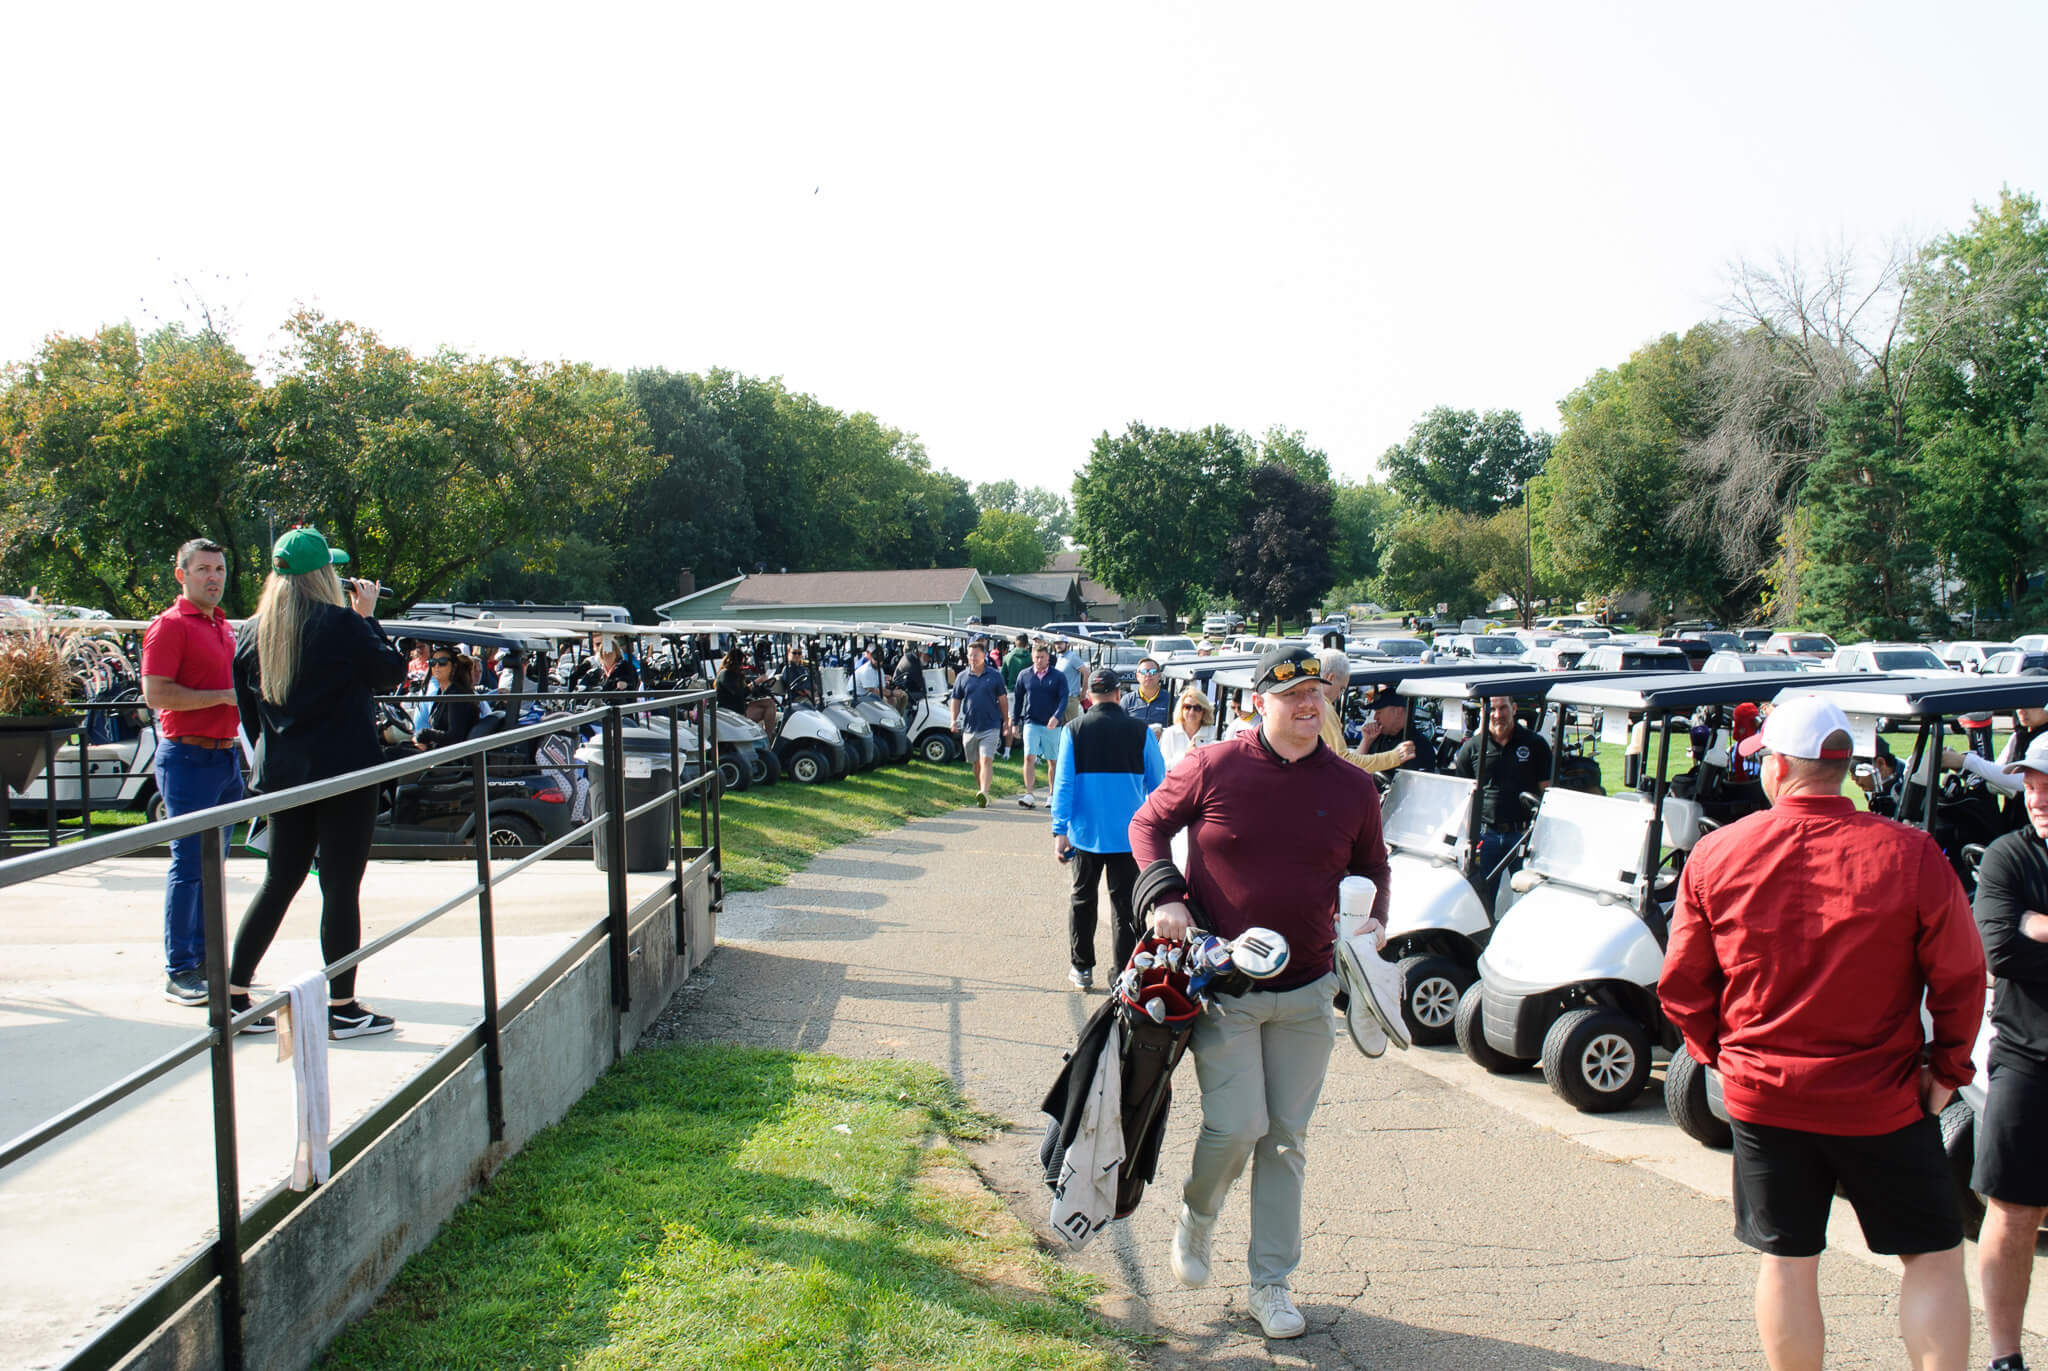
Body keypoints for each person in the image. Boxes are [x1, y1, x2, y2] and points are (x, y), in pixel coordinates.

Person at [1658, 695, 1986, 1371]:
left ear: (1777, 768)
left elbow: (1683, 986)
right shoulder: (1911, 853)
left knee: (1788, 1259)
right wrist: (1947, 1070)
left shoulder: (1718, 852)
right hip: (1882, 1094)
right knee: (1932, 1252)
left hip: (1768, 1095)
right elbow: (1962, 973)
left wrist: (1724, 1058)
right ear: (1842, 767)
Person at [1128, 645, 1391, 1341]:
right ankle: (1197, 1213)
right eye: (1293, 694)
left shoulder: (1353, 786)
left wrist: (1375, 930)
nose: (1309, 704)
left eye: (1317, 694)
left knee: (1285, 1139)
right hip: (1226, 988)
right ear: (1258, 702)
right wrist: (1167, 895)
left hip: (1310, 992)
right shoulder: (1216, 765)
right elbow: (1148, 823)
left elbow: (1372, 867)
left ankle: (1270, 1283)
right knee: (1239, 1124)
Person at [229, 527, 408, 1040]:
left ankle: (235, 993)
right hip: (345, 775)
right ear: (323, 576)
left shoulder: (251, 632)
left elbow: (250, 718)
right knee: (340, 887)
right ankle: (343, 1007)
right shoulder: (342, 625)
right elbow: (391, 672)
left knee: (279, 883)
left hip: (286, 779)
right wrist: (368, 617)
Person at [1966, 734, 2048, 1371]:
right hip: (2027, 1057)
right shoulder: (2008, 857)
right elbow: (2000, 950)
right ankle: (2005, 1357)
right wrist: (2023, 930)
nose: (2038, 795)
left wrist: (2040, 926)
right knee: (2014, 1210)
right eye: (2031, 780)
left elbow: (2026, 941)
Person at [140, 538, 244, 1008]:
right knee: (188, 867)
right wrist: (223, 697)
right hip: (187, 758)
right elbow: (156, 695)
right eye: (203, 569)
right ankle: (181, 969)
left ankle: (205, 962)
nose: (214, 578)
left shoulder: (223, 626)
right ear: (181, 574)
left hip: (224, 760)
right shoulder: (169, 626)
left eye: (219, 569)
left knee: (212, 869)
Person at [1051, 667, 1164, 988]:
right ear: (1118, 695)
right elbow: (1159, 785)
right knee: (1125, 907)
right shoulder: (1140, 731)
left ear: (1088, 696)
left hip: (1085, 834)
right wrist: (1158, 831)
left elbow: (1064, 785)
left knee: (1082, 899)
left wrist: (1060, 831)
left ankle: (1082, 967)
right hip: (1129, 836)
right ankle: (1124, 973)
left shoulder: (1073, 729)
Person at [1452, 695, 1551, 911]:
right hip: (1486, 836)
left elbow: (1547, 792)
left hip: (1523, 836)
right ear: (1484, 713)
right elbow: (1461, 795)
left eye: (1503, 708)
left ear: (1514, 708)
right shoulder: (1472, 748)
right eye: (1492, 709)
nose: (1498, 715)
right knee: (1481, 897)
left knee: (1529, 897)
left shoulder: (1535, 745)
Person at [1314, 651, 1414, 775]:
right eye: (1341, 689)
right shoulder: (1322, 707)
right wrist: (1395, 757)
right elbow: (1343, 763)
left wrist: (1366, 741)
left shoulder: (1302, 705)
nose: (1339, 696)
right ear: (1330, 678)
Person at [948, 639, 1009, 807]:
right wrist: (953, 719)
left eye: (976, 655)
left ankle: (984, 792)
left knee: (986, 759)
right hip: (970, 726)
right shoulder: (962, 677)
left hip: (991, 724)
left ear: (984, 656)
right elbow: (956, 700)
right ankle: (981, 791)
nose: (973, 658)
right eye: (970, 655)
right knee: (976, 764)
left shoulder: (994, 676)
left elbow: (1003, 700)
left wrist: (1006, 721)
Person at [1011, 641, 1069, 809]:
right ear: (1032, 657)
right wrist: (1015, 723)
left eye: (1042, 657)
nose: (1039, 660)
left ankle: (1052, 794)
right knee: (1029, 756)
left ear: (1048, 658)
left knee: (1052, 760)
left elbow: (1063, 698)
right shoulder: (1025, 675)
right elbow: (1018, 700)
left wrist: (1057, 717)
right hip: (1031, 722)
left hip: (1051, 724)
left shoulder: (1058, 676)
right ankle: (1029, 794)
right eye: (1036, 657)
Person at [413, 651, 481, 749]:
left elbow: (455, 737)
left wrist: (423, 734)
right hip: (437, 750)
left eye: (442, 662)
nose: (436, 666)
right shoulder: (443, 692)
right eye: (432, 662)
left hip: (448, 757)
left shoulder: (457, 695)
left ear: (454, 667)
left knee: (391, 753)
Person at [1356, 686, 1426, 772]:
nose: (1375, 717)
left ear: (1398, 712)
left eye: (1379, 712)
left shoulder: (1418, 746)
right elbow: (1354, 771)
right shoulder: (1377, 737)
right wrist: (1366, 741)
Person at [1158, 689, 1214, 771]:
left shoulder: (1213, 733)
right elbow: (1162, 767)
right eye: (1187, 707)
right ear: (1181, 709)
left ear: (1204, 711)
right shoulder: (1169, 733)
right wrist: (1186, 755)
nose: (1191, 712)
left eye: (1197, 708)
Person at [1120, 656, 1173, 729]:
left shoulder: (1171, 700)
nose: (1148, 675)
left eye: (1152, 672)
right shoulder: (1127, 701)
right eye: (1144, 672)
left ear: (1159, 675)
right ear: (1137, 676)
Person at [1054, 636, 1087, 723]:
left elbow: (1086, 672)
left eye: (1061, 643)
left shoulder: (1072, 657)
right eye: (1056, 643)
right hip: (1060, 698)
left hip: (1071, 698)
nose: (1058, 645)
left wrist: (1083, 692)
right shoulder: (1059, 658)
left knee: (1072, 727)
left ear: (1067, 644)